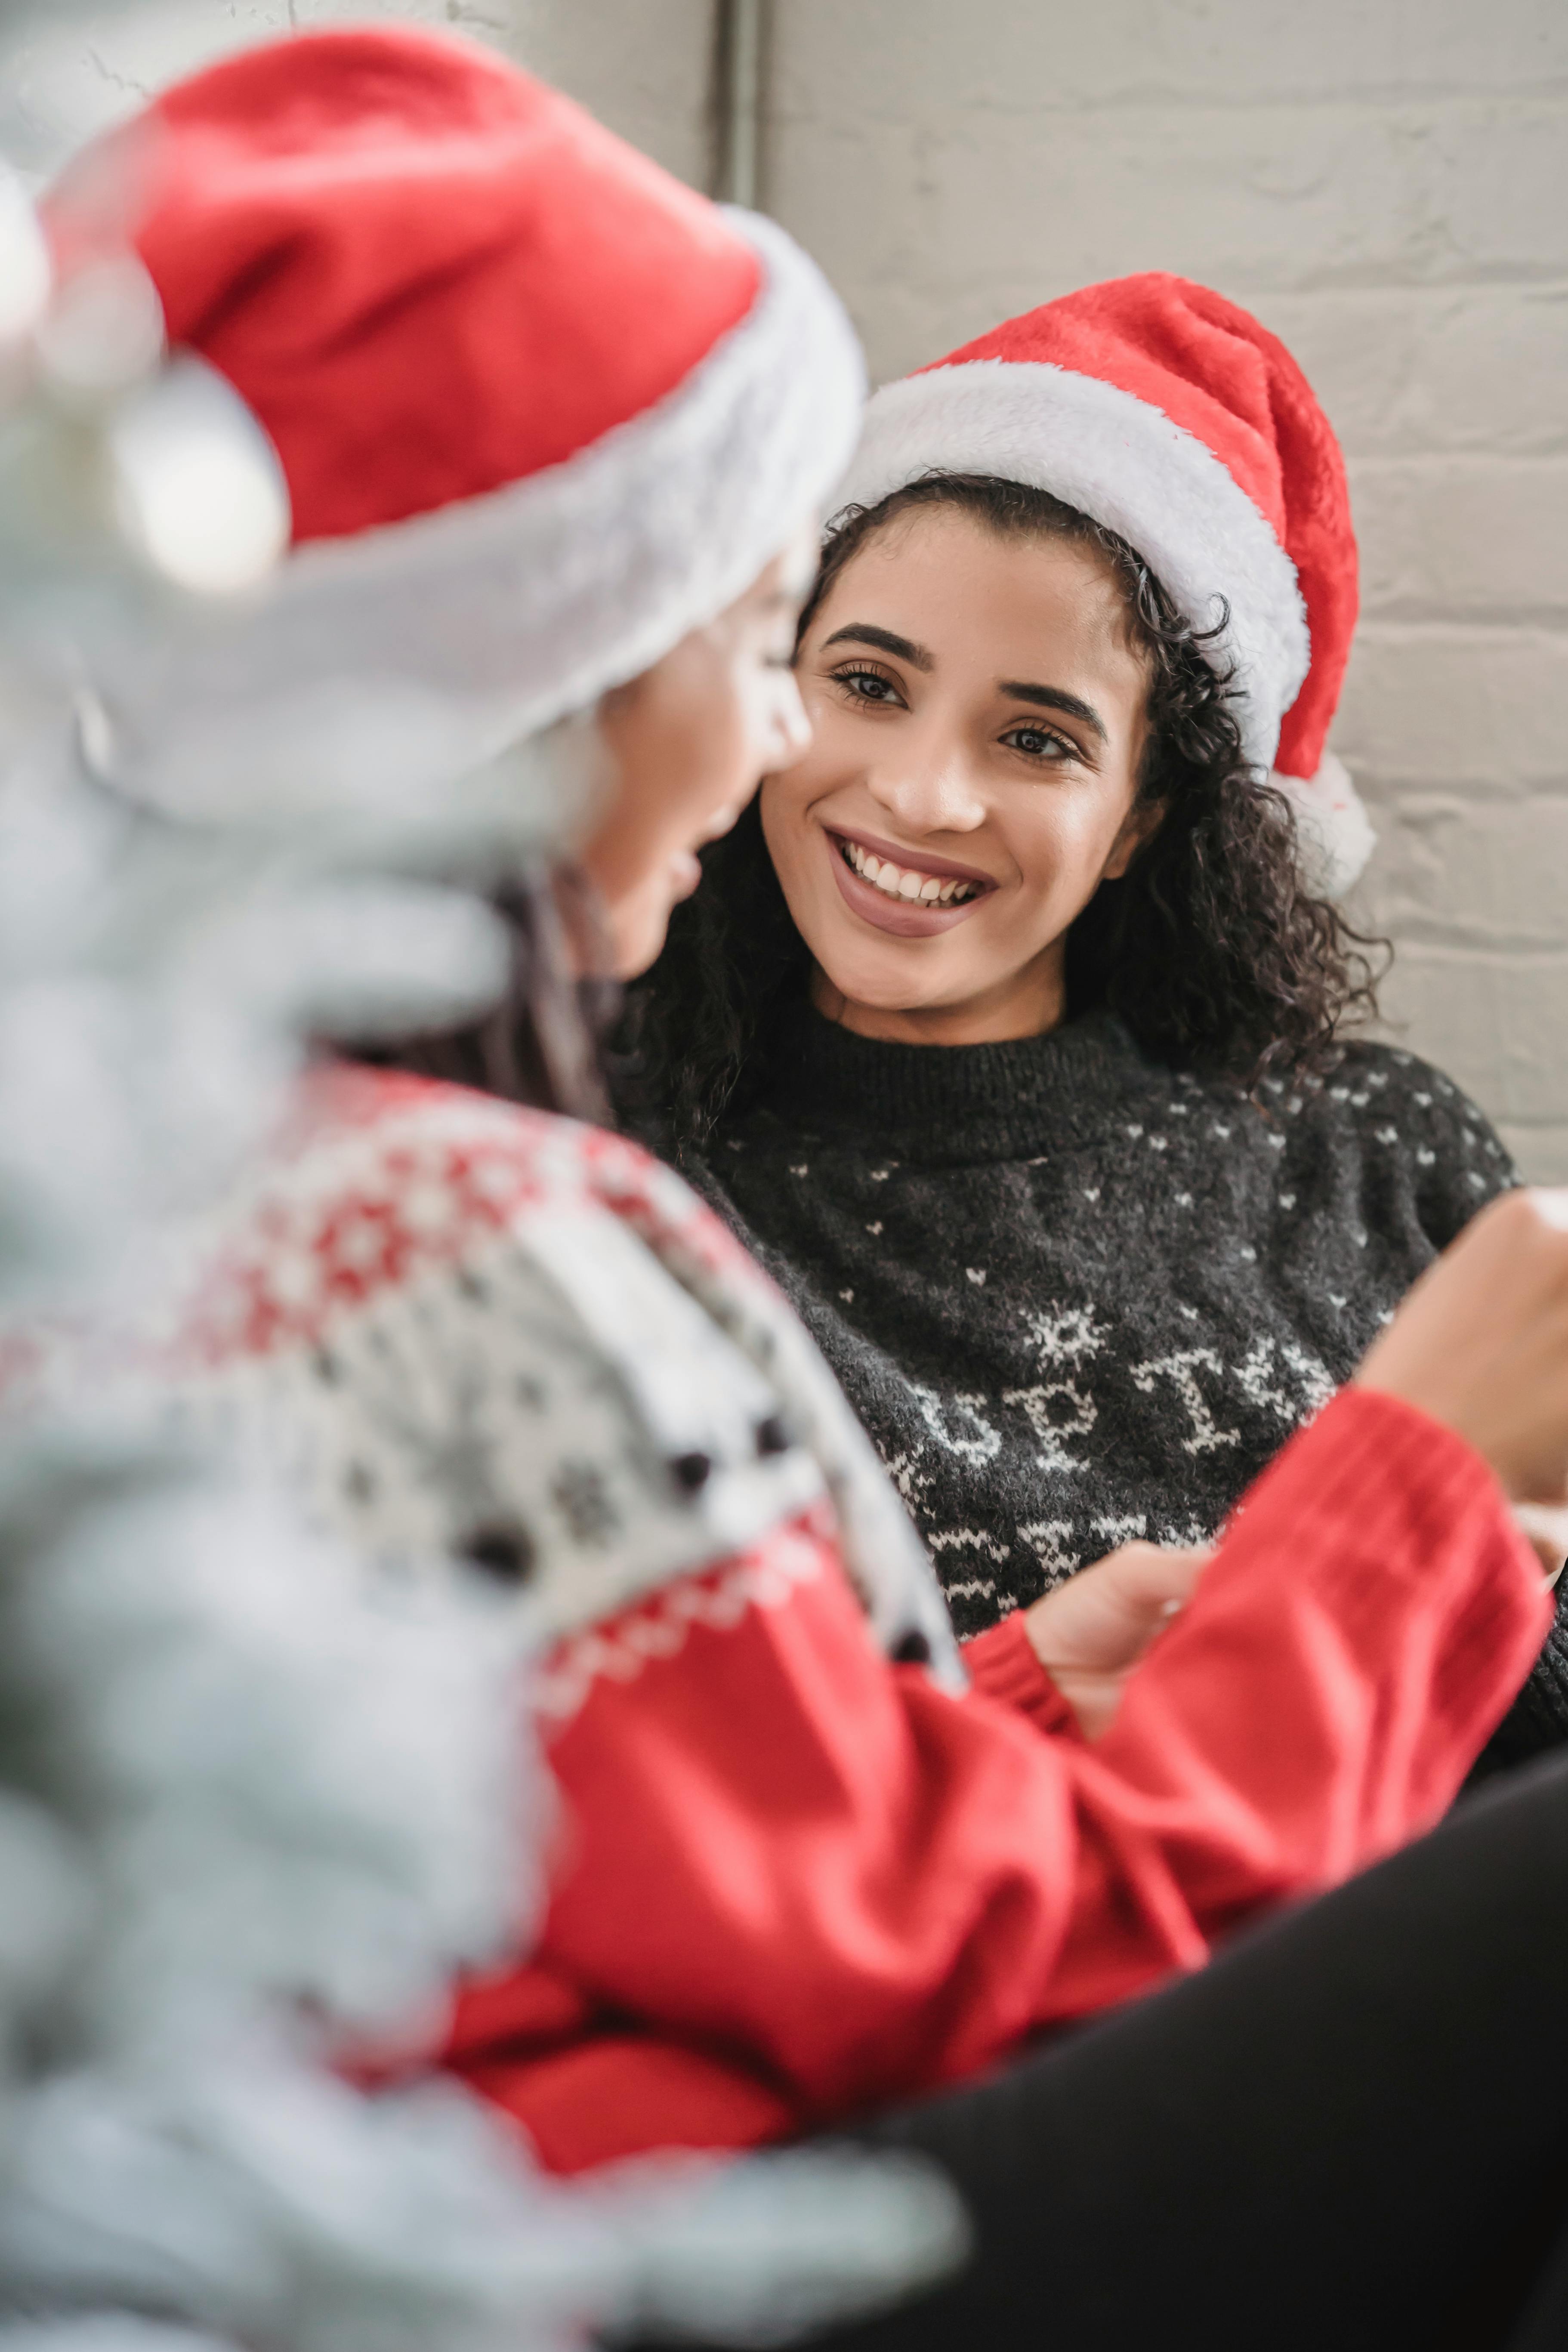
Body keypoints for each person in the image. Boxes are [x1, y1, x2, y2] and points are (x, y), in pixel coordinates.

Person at [71, 30, 1568, 2348]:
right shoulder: (496, 1234)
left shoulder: (197, 1174)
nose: (815, 751)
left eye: (1035, 735)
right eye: (774, 641)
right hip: (750, 2229)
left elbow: (623, 1844)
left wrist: (1005, 1694)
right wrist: (1421, 1488)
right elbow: (982, 1959)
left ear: (1155, 815)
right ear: (550, 651)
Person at [621, 281, 1568, 1770]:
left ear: (1142, 821)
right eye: (866, 683)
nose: (922, 795)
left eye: (1035, 738)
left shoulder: (1369, 1141)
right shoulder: (610, 1159)